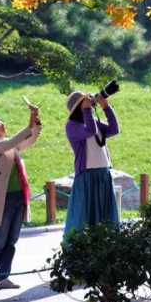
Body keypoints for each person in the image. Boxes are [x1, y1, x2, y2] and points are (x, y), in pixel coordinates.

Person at [0, 106, 41, 289]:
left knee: (12, 240)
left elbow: (29, 140)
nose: (2, 123)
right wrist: (29, 122)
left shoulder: (8, 144)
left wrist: (35, 121)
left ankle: (3, 277)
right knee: (0, 240)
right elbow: (14, 141)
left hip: (19, 197)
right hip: (1, 200)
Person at [63, 90, 120, 240]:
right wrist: (87, 110)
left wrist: (106, 106)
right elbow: (90, 131)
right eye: (85, 100)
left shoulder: (92, 119)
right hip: (87, 176)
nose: (90, 101)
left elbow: (114, 129)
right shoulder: (71, 125)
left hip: (103, 174)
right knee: (84, 216)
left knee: (106, 215)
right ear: (77, 106)